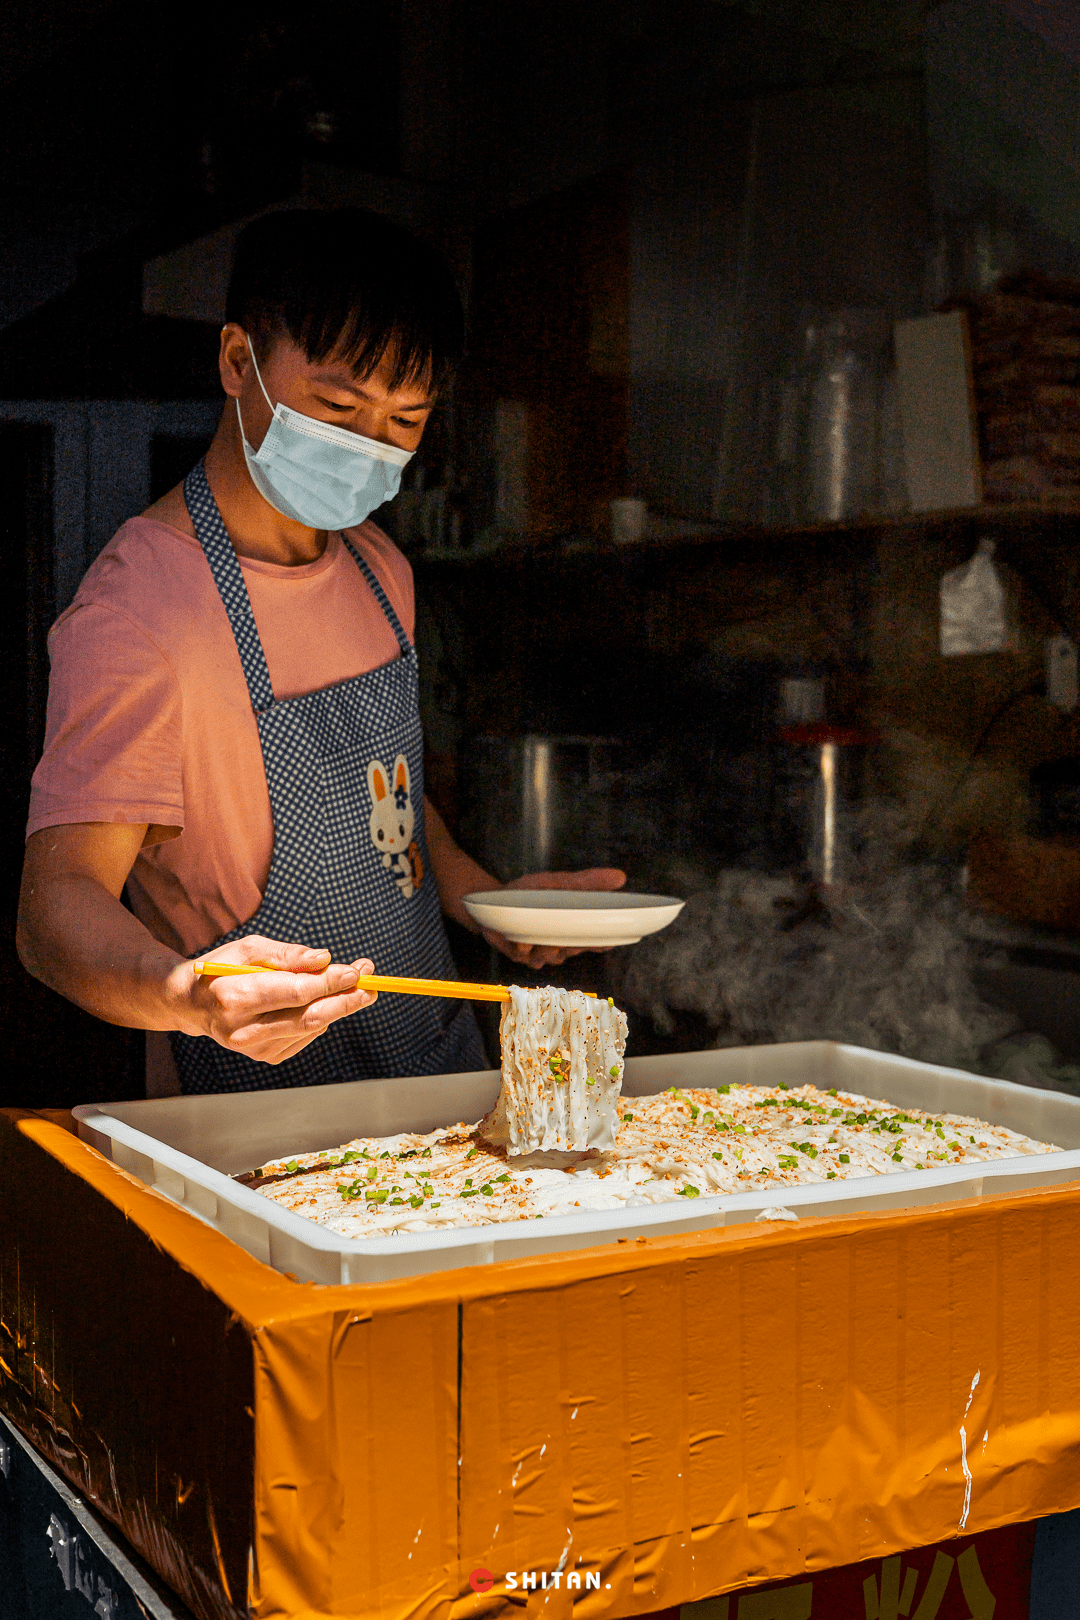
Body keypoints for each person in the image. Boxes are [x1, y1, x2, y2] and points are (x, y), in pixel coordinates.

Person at [17, 208, 624, 1094]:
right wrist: (187, 994)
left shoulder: (382, 570)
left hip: (434, 1075)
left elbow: (397, 820)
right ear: (237, 363)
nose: (368, 446)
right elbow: (54, 910)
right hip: (257, 1112)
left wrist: (488, 903)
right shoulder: (139, 611)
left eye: (404, 420)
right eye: (339, 406)